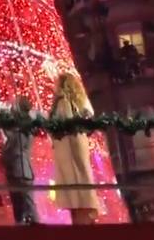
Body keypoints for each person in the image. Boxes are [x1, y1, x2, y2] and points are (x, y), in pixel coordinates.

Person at [49, 72, 100, 225]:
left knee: (74, 186)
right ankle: (88, 214)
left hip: (67, 147)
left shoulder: (62, 102)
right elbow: (90, 117)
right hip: (78, 144)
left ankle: (82, 219)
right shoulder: (81, 101)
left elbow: (61, 123)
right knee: (82, 178)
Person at [0, 95, 39, 225]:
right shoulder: (26, 126)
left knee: (25, 206)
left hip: (19, 170)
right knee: (23, 205)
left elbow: (14, 146)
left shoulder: (23, 127)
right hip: (20, 170)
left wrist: (3, 156)